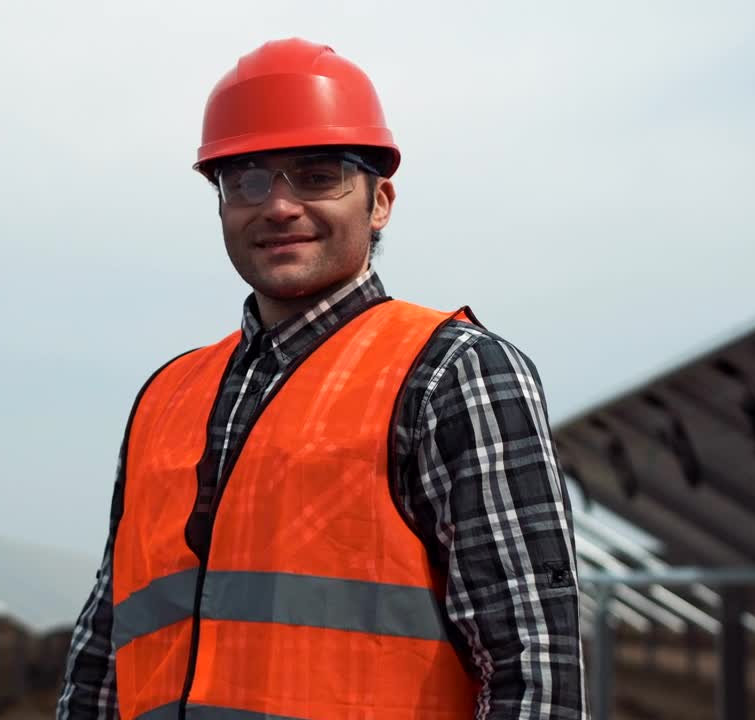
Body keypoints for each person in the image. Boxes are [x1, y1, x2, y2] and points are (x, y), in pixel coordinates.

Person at [57, 38, 585, 720]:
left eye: (317, 175)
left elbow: (532, 666)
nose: (277, 206)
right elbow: (103, 653)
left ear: (380, 201)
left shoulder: (452, 371)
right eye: (246, 179)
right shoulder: (166, 396)